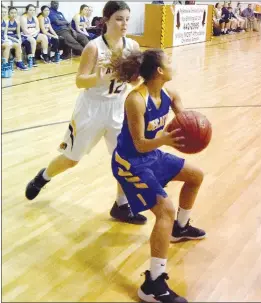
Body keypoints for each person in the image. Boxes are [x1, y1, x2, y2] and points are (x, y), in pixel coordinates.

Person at [25, 1, 147, 225]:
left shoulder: (133, 46)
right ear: (107, 20)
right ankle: (43, 177)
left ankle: (121, 205)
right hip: (91, 108)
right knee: (72, 159)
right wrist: (99, 78)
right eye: (119, 19)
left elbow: (135, 79)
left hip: (118, 108)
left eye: (127, 19)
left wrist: (137, 80)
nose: (124, 24)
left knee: (124, 160)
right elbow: (80, 81)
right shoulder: (94, 47)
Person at [111, 49, 206, 302]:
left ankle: (180, 228)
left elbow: (185, 121)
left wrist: (195, 129)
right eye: (169, 62)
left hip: (152, 156)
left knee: (196, 175)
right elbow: (140, 143)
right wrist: (165, 139)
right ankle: (152, 283)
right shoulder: (135, 100)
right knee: (164, 209)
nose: (173, 65)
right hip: (130, 163)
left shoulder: (171, 95)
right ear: (159, 71)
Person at [4, 6, 28, 71]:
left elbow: (18, 33)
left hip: (13, 38)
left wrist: (19, 39)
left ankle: (19, 63)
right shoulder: (6, 21)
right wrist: (15, 40)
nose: (13, 14)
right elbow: (5, 34)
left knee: (19, 44)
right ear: (8, 13)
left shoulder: (17, 22)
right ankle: (7, 63)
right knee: (16, 44)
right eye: (11, 13)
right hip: (7, 37)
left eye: (15, 13)